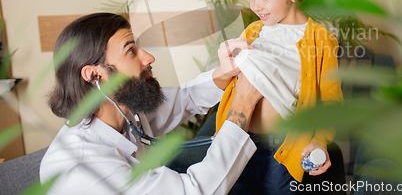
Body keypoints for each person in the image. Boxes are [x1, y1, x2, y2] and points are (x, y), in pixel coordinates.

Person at [40, 12, 263, 195]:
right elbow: (193, 192)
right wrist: (242, 104)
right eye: (130, 51)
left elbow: (186, 99)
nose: (148, 58)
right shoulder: (85, 165)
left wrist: (225, 73)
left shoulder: (123, 112)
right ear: (95, 76)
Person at [214, 0, 344, 194]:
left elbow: (330, 101)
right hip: (238, 140)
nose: (255, 6)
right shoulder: (252, 32)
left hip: (284, 148)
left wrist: (320, 139)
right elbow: (227, 85)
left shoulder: (319, 39)